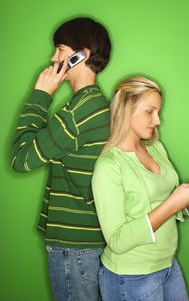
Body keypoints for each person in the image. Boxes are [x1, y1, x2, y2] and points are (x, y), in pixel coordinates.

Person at [11, 17, 111, 301]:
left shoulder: (78, 113)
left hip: (75, 247)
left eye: (60, 50)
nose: (53, 58)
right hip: (88, 242)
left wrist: (40, 96)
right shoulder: (92, 105)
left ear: (83, 55)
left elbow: (22, 157)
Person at [92, 76, 189, 301]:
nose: (157, 120)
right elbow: (117, 240)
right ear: (128, 109)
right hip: (131, 277)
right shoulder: (108, 165)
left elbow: (162, 203)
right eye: (150, 112)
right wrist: (174, 203)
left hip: (168, 264)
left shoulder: (155, 147)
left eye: (158, 112)